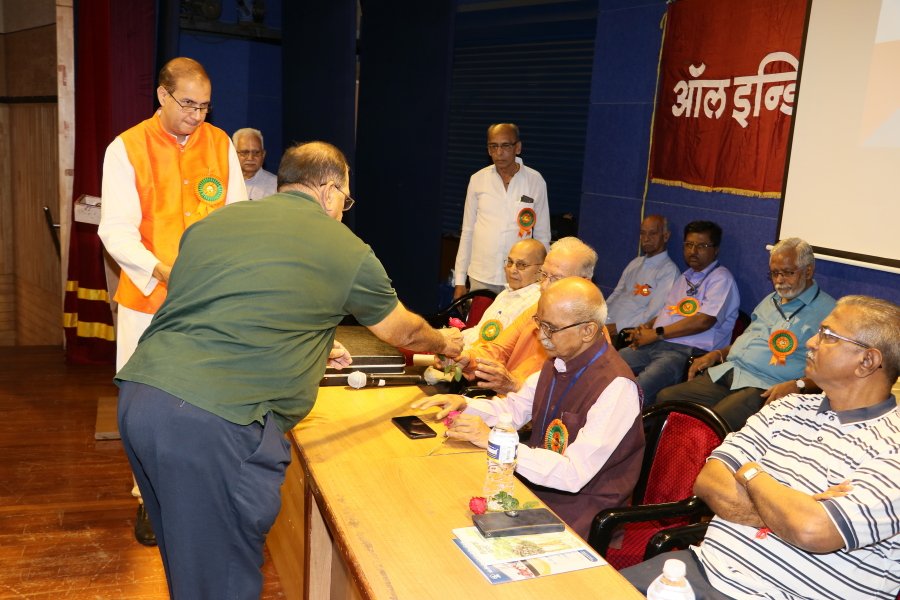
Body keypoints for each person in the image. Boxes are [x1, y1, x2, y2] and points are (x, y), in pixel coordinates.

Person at [115, 141, 464, 599]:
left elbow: (212, 307)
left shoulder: (212, 224)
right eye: (345, 200)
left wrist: (308, 342)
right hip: (213, 422)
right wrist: (445, 343)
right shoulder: (343, 246)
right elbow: (403, 331)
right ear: (330, 190)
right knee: (221, 581)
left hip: (142, 400)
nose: (342, 211)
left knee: (191, 566)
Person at [620, 295, 900, 600]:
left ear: (867, 361)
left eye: (828, 335)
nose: (811, 342)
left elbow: (812, 530)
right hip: (702, 570)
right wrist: (790, 513)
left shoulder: (893, 446)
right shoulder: (786, 408)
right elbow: (709, 481)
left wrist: (750, 473)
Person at [98, 56, 247, 546]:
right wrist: (161, 270)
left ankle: (201, 496)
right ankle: (147, 497)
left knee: (204, 402)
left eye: (204, 107)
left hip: (208, 305)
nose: (196, 116)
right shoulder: (126, 148)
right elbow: (115, 231)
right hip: (148, 303)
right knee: (146, 407)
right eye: (188, 105)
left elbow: (237, 217)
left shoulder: (220, 143)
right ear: (162, 95)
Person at [414, 277, 644, 540]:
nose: (542, 336)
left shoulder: (616, 387)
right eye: (539, 323)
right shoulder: (559, 361)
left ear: (588, 331)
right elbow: (513, 409)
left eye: (551, 328)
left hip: (582, 510)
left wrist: (494, 442)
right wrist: (465, 405)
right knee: (441, 504)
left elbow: (573, 474)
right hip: (534, 485)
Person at [656, 238, 836, 430]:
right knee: (666, 400)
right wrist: (718, 354)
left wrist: (798, 385)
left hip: (765, 386)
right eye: (774, 273)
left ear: (808, 271)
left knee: (714, 422)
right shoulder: (771, 300)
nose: (779, 280)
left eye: (788, 272)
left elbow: (833, 374)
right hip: (731, 371)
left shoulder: (829, 314)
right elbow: (748, 340)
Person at [446, 236, 598, 396]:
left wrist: (515, 386)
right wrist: (467, 359)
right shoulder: (534, 311)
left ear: (584, 283)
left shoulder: (588, 334)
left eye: (556, 279)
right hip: (506, 402)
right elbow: (499, 349)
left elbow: (563, 396)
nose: (544, 286)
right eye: (544, 275)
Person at [618, 220, 740, 406]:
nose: (693, 251)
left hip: (686, 352)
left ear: (715, 250)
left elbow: (704, 321)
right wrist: (646, 328)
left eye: (701, 246)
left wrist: (656, 333)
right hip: (658, 343)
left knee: (636, 390)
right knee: (608, 366)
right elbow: (668, 312)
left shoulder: (721, 278)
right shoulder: (685, 277)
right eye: (689, 244)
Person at [452, 122, 551, 299]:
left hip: (520, 278)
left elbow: (542, 236)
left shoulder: (535, 181)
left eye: (505, 146)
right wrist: (459, 280)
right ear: (488, 150)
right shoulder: (477, 180)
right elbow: (467, 231)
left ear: (517, 147)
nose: (499, 152)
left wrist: (544, 278)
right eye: (493, 146)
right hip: (481, 276)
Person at [604, 214, 680, 347]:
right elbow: (617, 294)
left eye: (653, 233)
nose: (646, 238)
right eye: (643, 233)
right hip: (605, 326)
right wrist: (598, 317)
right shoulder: (635, 263)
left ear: (666, 236)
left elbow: (653, 315)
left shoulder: (668, 271)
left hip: (624, 335)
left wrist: (617, 327)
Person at [460, 238, 546, 347]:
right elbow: (479, 331)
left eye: (521, 265)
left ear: (541, 270)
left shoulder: (535, 303)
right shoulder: (505, 293)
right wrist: (455, 338)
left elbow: (503, 348)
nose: (512, 270)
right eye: (510, 262)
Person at [233, 127, 277, 199]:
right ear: (234, 154)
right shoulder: (223, 183)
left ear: (263, 155)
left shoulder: (277, 187)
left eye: (256, 152)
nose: (250, 158)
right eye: (244, 152)